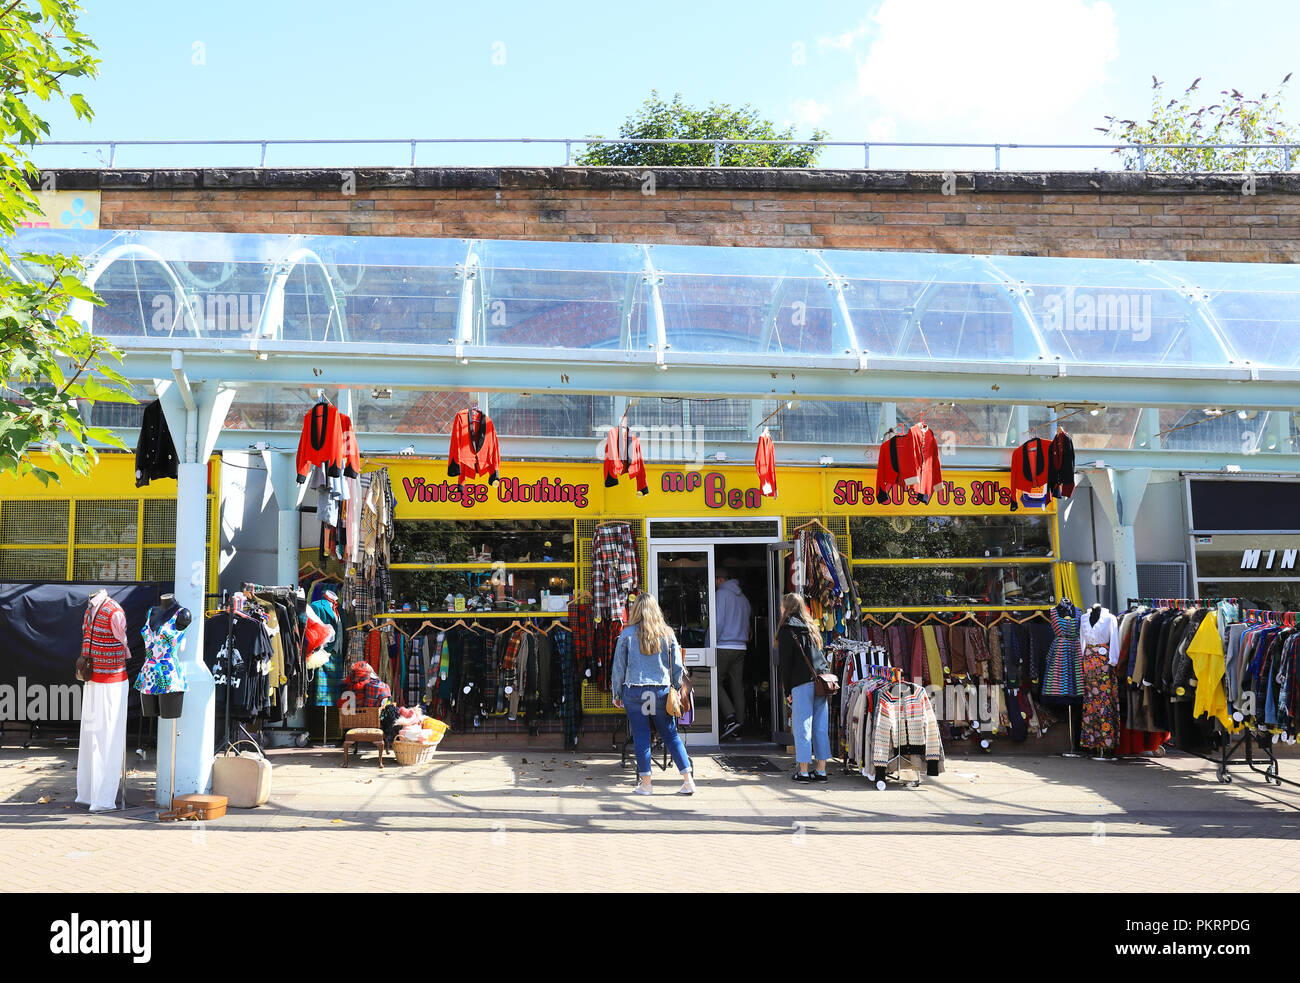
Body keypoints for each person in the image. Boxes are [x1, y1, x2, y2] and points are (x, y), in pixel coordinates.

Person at [612, 593, 696, 796]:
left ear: (635, 611)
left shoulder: (627, 634)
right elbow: (677, 666)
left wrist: (617, 692)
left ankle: (646, 784)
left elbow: (618, 667)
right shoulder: (667, 633)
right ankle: (688, 780)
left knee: (641, 735)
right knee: (670, 734)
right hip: (661, 690)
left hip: (634, 690)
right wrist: (675, 687)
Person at [777, 593, 831, 783]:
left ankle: (804, 771)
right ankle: (822, 770)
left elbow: (786, 665)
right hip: (820, 683)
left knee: (802, 728)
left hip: (800, 684)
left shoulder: (787, 630)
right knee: (820, 727)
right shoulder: (811, 627)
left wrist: (787, 691)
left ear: (787, 608)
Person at [714, 569, 751, 740]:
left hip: (723, 645)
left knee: (714, 682)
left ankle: (730, 717)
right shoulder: (743, 598)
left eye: (714, 580)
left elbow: (718, 622)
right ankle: (739, 725)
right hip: (741, 646)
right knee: (737, 686)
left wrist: (710, 642)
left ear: (720, 579)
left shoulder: (721, 595)